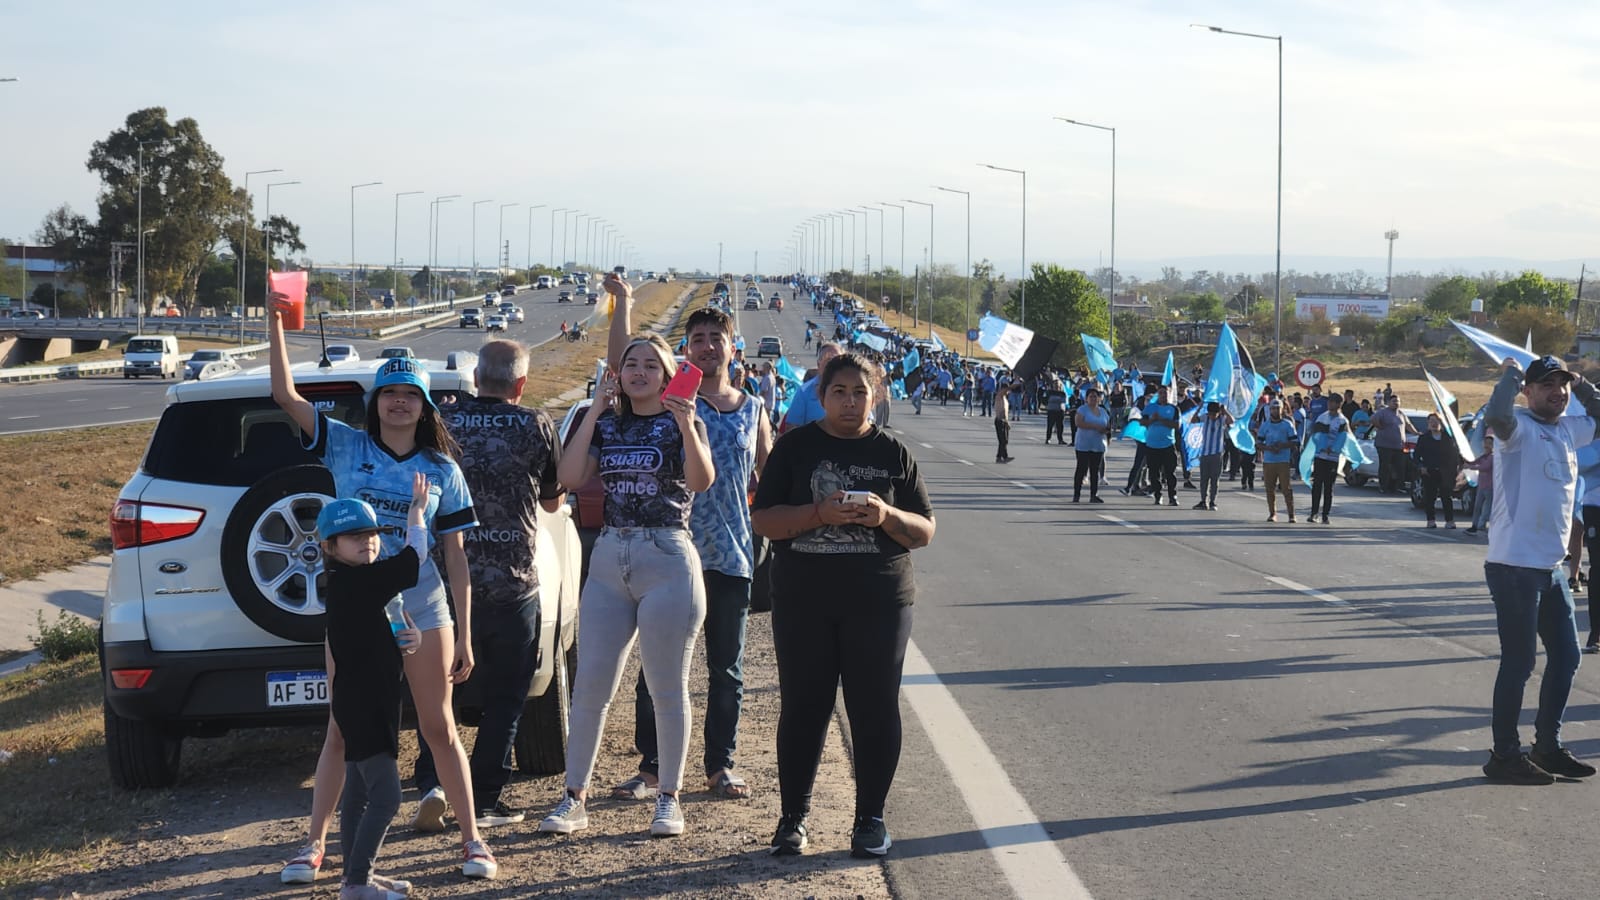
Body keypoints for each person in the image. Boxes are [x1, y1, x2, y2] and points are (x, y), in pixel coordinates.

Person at [269, 298, 497, 883]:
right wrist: (274, 324)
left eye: (411, 394)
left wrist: (464, 634)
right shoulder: (346, 445)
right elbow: (287, 399)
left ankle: (473, 841)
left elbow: (457, 558)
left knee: (439, 726)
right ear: (376, 403)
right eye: (390, 393)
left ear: (424, 406)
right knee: (342, 731)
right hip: (356, 617)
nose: (400, 402)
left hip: (424, 608)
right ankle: (313, 846)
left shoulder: (444, 470)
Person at [539, 275, 714, 838]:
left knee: (667, 686)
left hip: (667, 554)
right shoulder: (608, 422)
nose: (639, 372)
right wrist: (593, 410)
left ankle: (669, 796)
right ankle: (574, 797)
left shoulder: (681, 418)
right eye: (631, 365)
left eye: (650, 366)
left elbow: (701, 481)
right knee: (591, 684)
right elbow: (567, 479)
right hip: (611, 557)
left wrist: (687, 425)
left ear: (667, 376)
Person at [751, 352, 936, 858]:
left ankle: (870, 819)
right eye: (839, 392)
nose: (850, 402)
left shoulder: (894, 454)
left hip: (879, 601)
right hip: (803, 600)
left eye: (860, 392)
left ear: (875, 394)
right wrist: (818, 512)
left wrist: (884, 514)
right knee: (805, 707)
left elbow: (924, 531)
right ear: (822, 396)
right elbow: (764, 519)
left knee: (874, 708)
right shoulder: (795, 449)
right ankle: (793, 819)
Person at [618, 304, 772, 804]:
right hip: (668, 552)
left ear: (733, 348)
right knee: (657, 667)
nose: (708, 345)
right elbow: (618, 364)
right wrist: (622, 307)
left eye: (716, 337)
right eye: (698, 338)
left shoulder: (753, 410)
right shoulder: (666, 403)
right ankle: (652, 767)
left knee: (726, 668)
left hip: (730, 556)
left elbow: (769, 482)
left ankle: (718, 764)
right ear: (685, 350)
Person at [422, 340, 564, 830]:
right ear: (520, 385)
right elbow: (550, 501)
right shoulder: (536, 423)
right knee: (507, 696)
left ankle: (433, 783)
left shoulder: (443, 420)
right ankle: (482, 796)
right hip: (513, 584)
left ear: (476, 378)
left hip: (446, 583)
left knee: (437, 689)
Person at [1480, 355, 1600, 784]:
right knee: (1519, 662)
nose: (1558, 391)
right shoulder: (1517, 428)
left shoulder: (1569, 430)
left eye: (1562, 384)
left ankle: (1547, 746)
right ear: (1529, 392)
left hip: (1550, 569)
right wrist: (1511, 373)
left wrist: (1583, 382)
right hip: (1514, 567)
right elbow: (1494, 413)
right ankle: (1504, 755)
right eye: (1547, 384)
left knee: (1567, 656)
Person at [318, 484, 427, 900]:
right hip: (365, 704)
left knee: (359, 794)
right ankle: (357, 885)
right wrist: (416, 511)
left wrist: (408, 637)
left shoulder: (354, 583)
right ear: (330, 546)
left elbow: (390, 627)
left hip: (361, 699)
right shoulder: (357, 582)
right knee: (387, 796)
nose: (367, 541)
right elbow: (414, 556)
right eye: (355, 537)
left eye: (372, 534)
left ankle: (355, 876)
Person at [780, 342, 841, 433]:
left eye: (838, 360)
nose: (834, 364)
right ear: (818, 364)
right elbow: (792, 429)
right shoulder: (805, 391)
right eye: (829, 360)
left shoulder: (852, 389)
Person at [1413, 412, 1461, 529]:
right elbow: (1416, 456)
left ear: (1441, 423)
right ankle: (1431, 520)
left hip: (1446, 472)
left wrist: (1457, 468)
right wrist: (1421, 467)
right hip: (1429, 472)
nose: (1434, 424)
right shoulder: (1424, 438)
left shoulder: (1448, 438)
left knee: (1446, 497)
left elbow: (1455, 455)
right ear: (1428, 423)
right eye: (1431, 421)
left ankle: (1449, 520)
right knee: (1430, 497)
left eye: (1436, 421)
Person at [1307, 397, 1351, 524]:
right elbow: (1316, 434)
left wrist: (1333, 448)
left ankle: (1325, 514)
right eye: (1329, 402)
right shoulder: (1322, 418)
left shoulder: (1343, 420)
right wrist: (1322, 447)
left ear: (1338, 404)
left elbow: (1343, 437)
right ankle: (1314, 513)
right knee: (1317, 484)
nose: (1329, 404)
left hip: (1333, 457)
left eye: (1332, 402)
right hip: (1320, 456)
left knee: (1328, 487)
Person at [1255, 400, 1298, 523]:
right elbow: (1259, 443)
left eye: (1278, 408)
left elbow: (1295, 441)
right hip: (1269, 460)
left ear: (1282, 409)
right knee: (1270, 488)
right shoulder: (1265, 426)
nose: (1275, 410)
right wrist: (1268, 448)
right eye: (1273, 408)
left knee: (1286, 488)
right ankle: (1272, 513)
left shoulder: (1287, 424)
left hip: (1283, 460)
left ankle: (1291, 514)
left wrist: (1282, 445)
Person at [1142, 386, 1180, 506]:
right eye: (1161, 393)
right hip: (1152, 445)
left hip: (1168, 444)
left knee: (1170, 473)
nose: (1163, 395)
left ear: (1169, 394)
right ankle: (1158, 495)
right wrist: (1152, 420)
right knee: (1153, 473)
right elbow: (1143, 423)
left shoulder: (1174, 409)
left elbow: (1176, 425)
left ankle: (1172, 496)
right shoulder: (1150, 408)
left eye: (1165, 393)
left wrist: (1161, 419)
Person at [1371, 396, 1418, 494]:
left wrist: (1416, 433)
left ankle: (1400, 486)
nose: (1396, 403)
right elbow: (1373, 419)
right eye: (1393, 401)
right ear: (1388, 402)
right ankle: (1383, 486)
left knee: (1400, 466)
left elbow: (1408, 425)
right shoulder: (1383, 412)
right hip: (1384, 445)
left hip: (1399, 446)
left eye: (1398, 401)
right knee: (1385, 466)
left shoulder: (1401, 414)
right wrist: (1379, 426)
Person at [1072, 386, 1110, 503]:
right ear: (1086, 398)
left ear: (1099, 398)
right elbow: (1078, 423)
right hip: (1083, 445)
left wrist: (1106, 432)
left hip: (1098, 445)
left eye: (1095, 396)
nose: (1093, 398)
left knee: (1095, 470)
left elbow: (1108, 426)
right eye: (1091, 396)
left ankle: (1094, 494)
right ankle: (1076, 494)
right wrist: (1094, 426)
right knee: (1081, 469)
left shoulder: (1103, 411)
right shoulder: (1082, 409)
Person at [1194, 402, 1232, 510]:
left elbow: (1232, 421)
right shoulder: (1205, 418)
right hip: (1205, 452)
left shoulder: (1222, 419)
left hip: (1217, 453)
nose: (1212, 416)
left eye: (1214, 414)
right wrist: (1199, 407)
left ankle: (1213, 501)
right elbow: (1193, 420)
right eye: (1210, 413)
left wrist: (1225, 410)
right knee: (1204, 479)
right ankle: (1203, 500)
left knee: (1215, 479)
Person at [1464, 428, 1494, 536]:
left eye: (1490, 444)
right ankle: (1474, 525)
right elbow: (1475, 462)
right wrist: (1466, 460)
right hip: (1481, 486)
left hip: (1490, 487)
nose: (1487, 446)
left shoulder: (1493, 457)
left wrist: (1470, 467)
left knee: (1487, 507)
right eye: (1486, 443)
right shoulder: (1483, 456)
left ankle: (1481, 525)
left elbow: (1484, 467)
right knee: (1477, 507)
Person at [994, 380, 1016, 463]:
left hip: (1004, 421)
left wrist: (1007, 422)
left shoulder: (1005, 399)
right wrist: (1015, 384)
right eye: (1006, 390)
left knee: (1004, 440)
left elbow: (1005, 412)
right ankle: (1005, 457)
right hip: (999, 420)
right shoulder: (999, 396)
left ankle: (999, 456)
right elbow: (1003, 391)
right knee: (1003, 440)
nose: (1008, 392)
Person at [1044, 378, 1069, 445]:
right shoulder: (1049, 392)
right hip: (1051, 410)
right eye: (1055, 384)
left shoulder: (1062, 393)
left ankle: (1060, 440)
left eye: (1058, 384)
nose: (1057, 385)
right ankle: (1048, 438)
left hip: (1060, 411)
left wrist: (1065, 409)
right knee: (1050, 425)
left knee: (1060, 426)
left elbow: (1064, 401)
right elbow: (1045, 400)